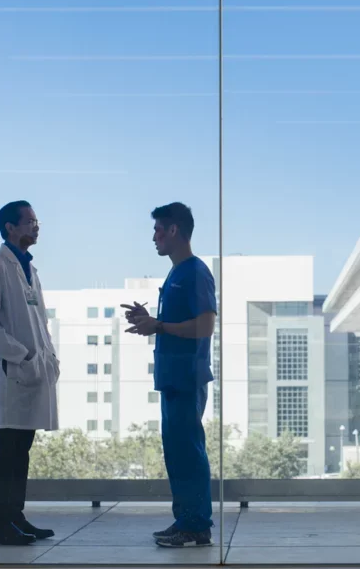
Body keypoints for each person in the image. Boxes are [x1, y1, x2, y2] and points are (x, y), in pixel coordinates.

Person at [123, 202, 217, 548]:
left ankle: (196, 525)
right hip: (173, 380)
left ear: (174, 230)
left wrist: (157, 325)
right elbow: (174, 324)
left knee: (189, 452)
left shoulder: (195, 271)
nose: (154, 237)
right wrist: (150, 320)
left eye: (158, 230)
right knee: (177, 453)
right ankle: (186, 521)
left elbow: (206, 324)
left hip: (187, 378)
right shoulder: (176, 273)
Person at [0, 200, 60, 546]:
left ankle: (15, 516)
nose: (36, 227)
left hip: (33, 373)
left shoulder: (28, 269)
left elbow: (40, 323)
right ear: (10, 227)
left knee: (21, 448)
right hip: (14, 374)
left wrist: (48, 357)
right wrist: (20, 356)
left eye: (37, 221)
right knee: (9, 449)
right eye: (29, 221)